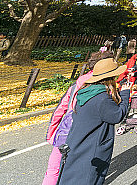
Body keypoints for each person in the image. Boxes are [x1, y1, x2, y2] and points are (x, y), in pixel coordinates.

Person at [43, 50, 113, 185]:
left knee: (54, 167)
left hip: (66, 128)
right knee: (79, 169)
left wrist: (52, 132)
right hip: (86, 134)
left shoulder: (77, 83)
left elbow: (61, 109)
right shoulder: (106, 85)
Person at [57, 58, 130, 185]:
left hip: (78, 144)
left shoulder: (85, 92)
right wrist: (125, 94)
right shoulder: (102, 99)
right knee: (91, 180)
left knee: (73, 179)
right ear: (109, 78)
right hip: (93, 149)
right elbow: (117, 116)